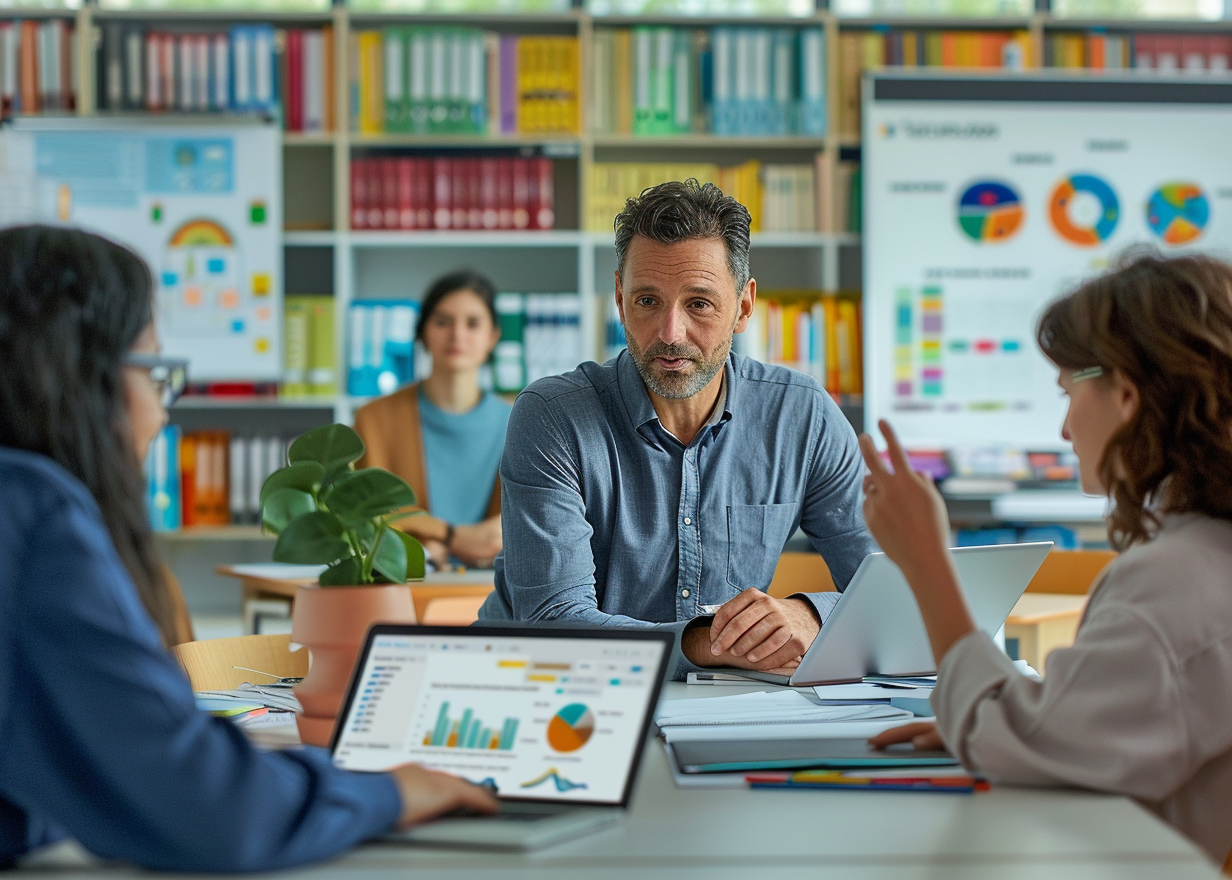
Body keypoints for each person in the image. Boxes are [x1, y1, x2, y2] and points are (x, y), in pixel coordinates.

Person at [0, 225, 496, 872]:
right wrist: (392, 790)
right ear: (80, 376)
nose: (161, 414)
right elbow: (215, 813)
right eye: (156, 374)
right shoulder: (35, 519)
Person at [860, 251, 1232, 864]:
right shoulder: (1206, 553)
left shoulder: (1167, 584)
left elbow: (1028, 736)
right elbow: (1087, 729)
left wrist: (926, 559)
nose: (1063, 430)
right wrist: (999, 723)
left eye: (1067, 393)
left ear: (1127, 395)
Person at [479, 180, 876, 676]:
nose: (670, 334)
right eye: (647, 301)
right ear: (620, 298)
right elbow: (556, 627)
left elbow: (892, 592)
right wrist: (707, 643)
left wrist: (810, 614)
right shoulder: (552, 416)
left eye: (700, 304)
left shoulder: (803, 415)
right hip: (552, 693)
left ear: (744, 307)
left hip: (717, 704)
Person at [354, 272, 510, 569]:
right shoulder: (372, 420)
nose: (457, 335)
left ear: (493, 336)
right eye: (442, 321)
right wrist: (453, 537)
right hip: (404, 587)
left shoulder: (521, 422)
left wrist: (425, 529)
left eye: (473, 323)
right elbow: (361, 519)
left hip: (496, 595)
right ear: (423, 331)